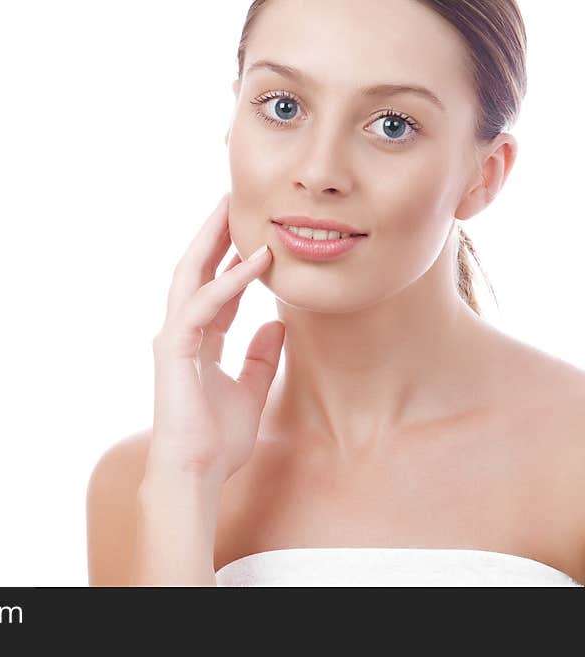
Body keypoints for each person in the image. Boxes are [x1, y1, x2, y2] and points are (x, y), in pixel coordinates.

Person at [86, 0, 585, 586]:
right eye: (283, 107)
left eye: (393, 125)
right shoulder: (145, 480)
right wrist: (184, 482)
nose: (319, 170)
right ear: (232, 122)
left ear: (486, 174)